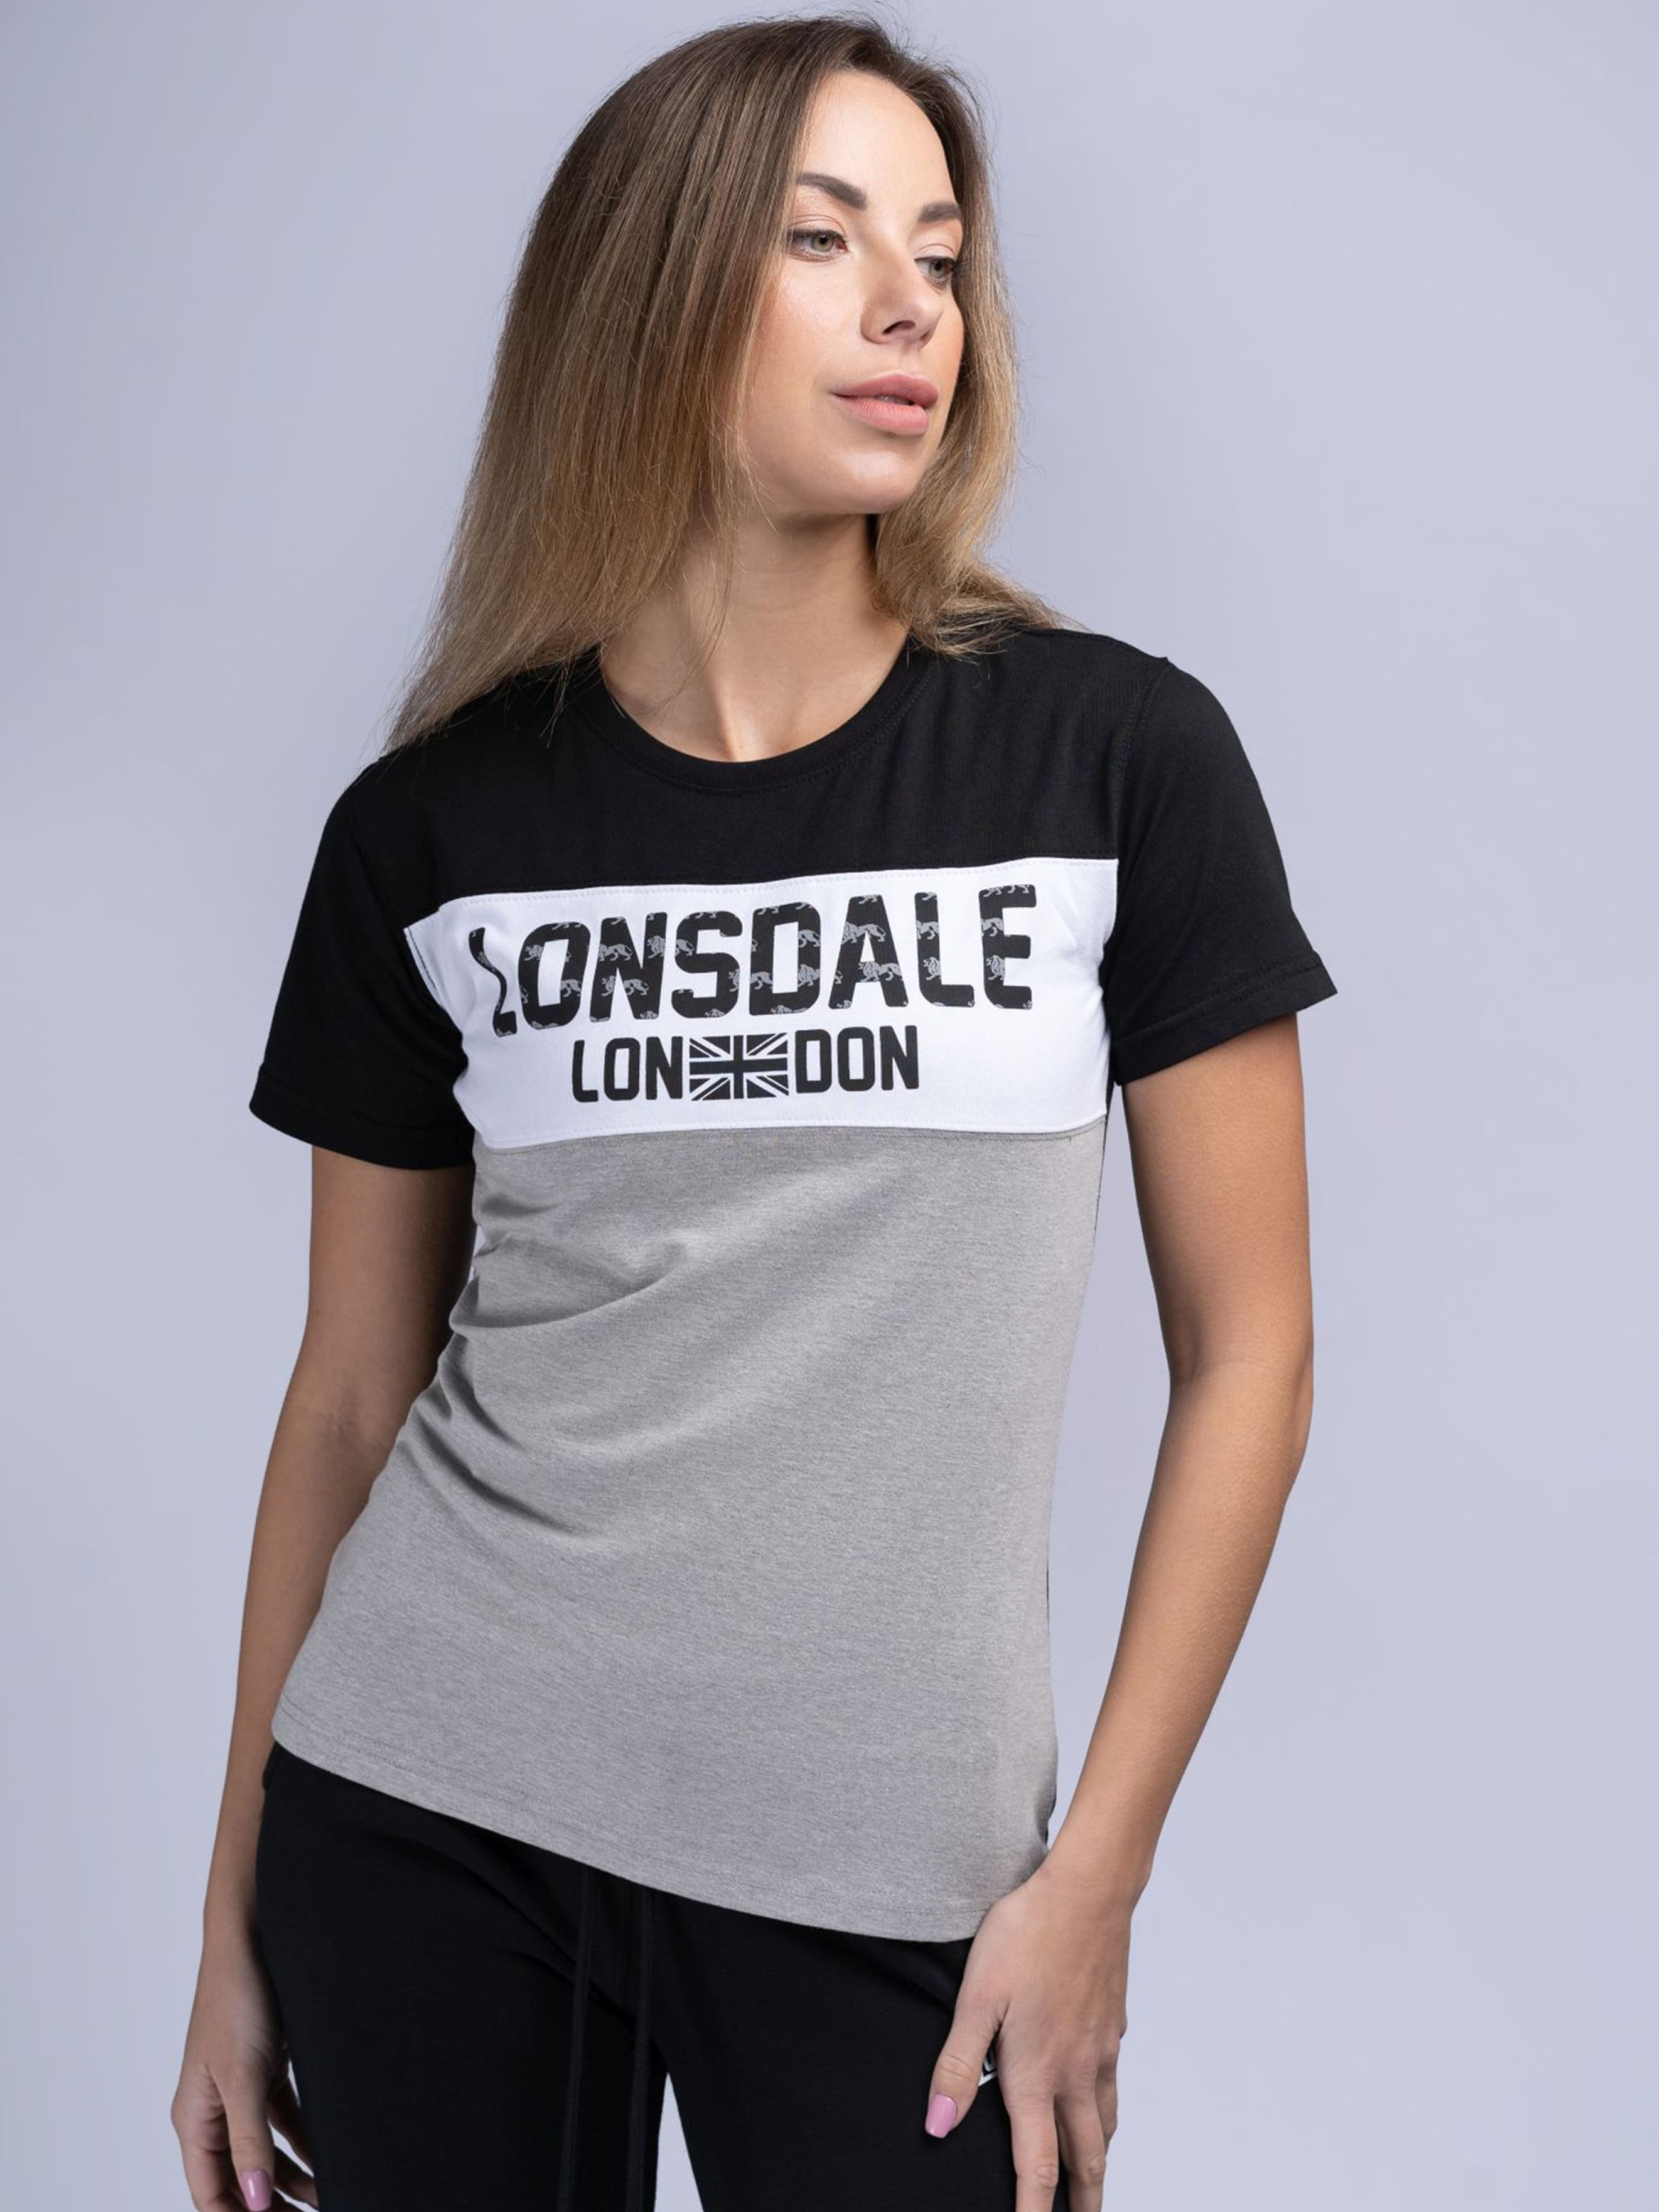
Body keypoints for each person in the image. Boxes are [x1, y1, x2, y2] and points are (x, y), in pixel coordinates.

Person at [170, 16, 1338, 2212]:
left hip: (899, 1871)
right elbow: (345, 1402)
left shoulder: (1111, 763)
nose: (913, 306)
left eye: (941, 253)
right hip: (431, 1812)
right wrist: (229, 1918)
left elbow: (1252, 1356)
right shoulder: (432, 831)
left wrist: (1094, 1877)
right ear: (653, 287)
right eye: (824, 240)